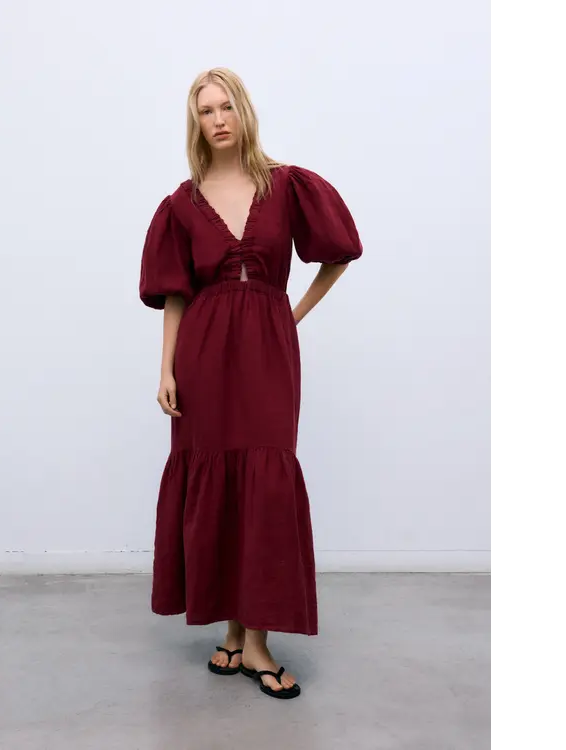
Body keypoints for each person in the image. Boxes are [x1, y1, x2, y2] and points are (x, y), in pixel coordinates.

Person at [139, 67, 363, 700]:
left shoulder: (287, 184)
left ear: (244, 112)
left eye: (226, 106)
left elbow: (339, 254)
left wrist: (290, 317)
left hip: (266, 348)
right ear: (196, 123)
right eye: (205, 110)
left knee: (263, 478)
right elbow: (176, 295)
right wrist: (166, 369)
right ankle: (236, 635)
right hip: (204, 353)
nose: (218, 119)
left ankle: (257, 641)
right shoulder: (182, 202)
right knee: (218, 476)